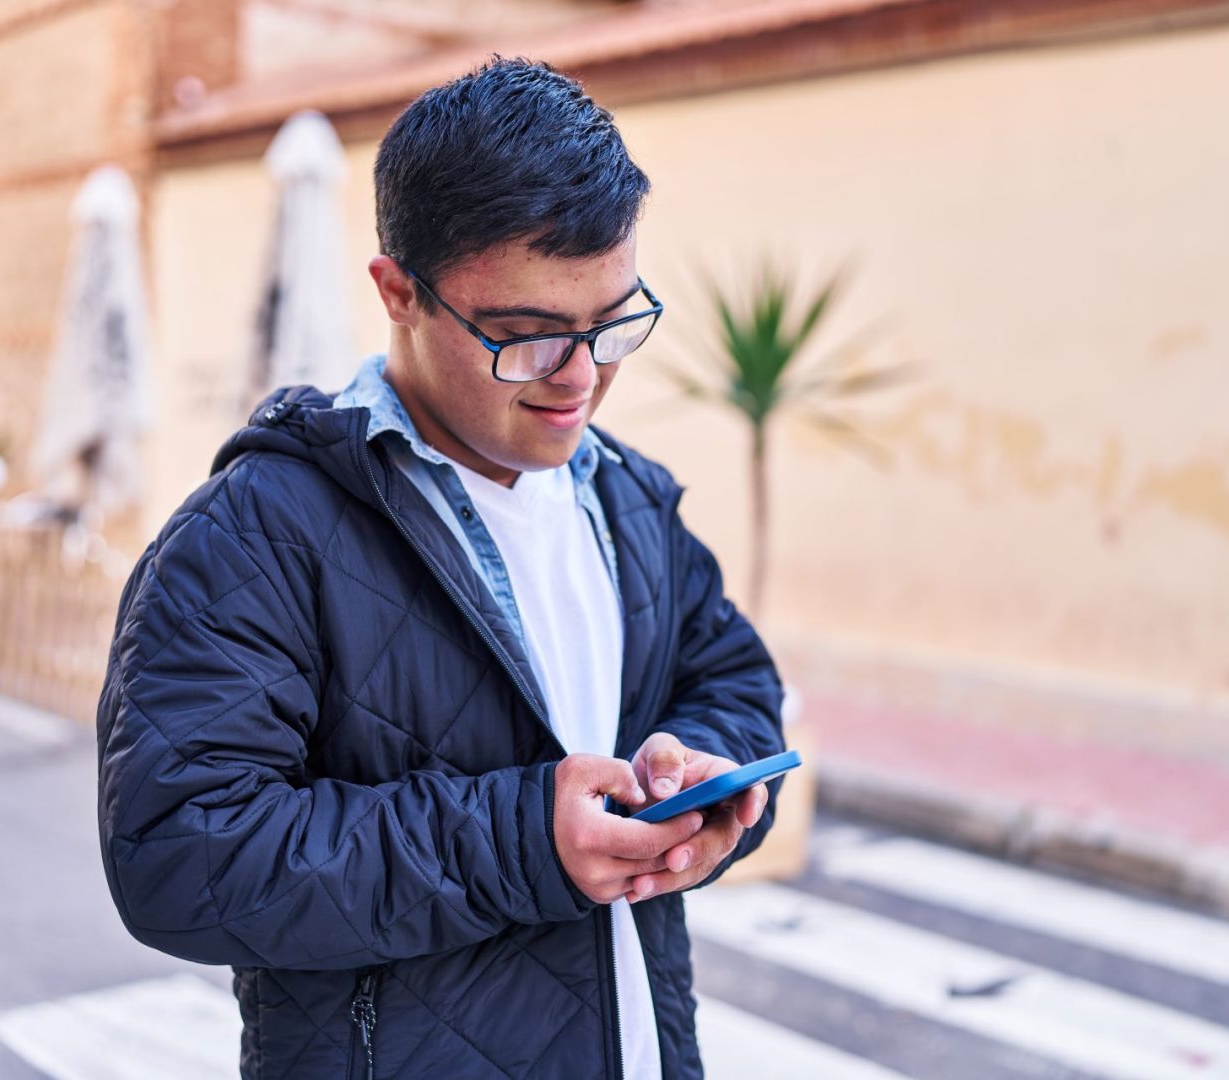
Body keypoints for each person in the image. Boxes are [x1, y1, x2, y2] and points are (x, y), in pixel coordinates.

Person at [96, 57, 787, 1080]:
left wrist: (705, 774)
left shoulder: (628, 500)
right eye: (525, 337)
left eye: (612, 322)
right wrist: (523, 840)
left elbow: (732, 677)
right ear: (397, 293)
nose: (582, 376)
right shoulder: (251, 536)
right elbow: (179, 857)